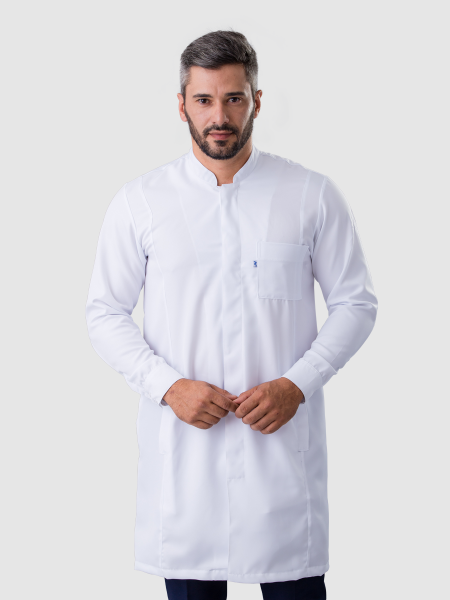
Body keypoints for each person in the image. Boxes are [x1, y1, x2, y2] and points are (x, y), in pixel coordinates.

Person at [86, 30, 378, 600]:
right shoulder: (140, 202)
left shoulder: (310, 194)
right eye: (204, 99)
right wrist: (168, 387)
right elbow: (104, 313)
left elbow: (356, 303)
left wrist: (298, 383)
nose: (219, 116)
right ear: (181, 105)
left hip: (281, 466)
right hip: (185, 467)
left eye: (234, 98)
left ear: (257, 101)